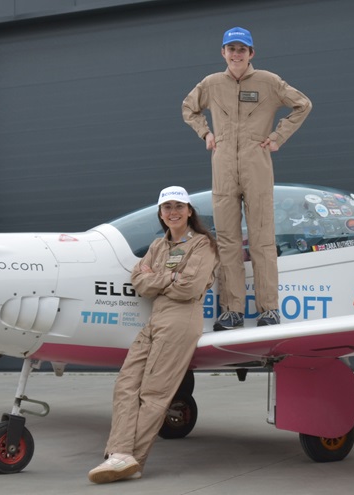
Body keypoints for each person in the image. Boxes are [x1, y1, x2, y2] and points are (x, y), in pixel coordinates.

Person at [182, 26, 312, 330]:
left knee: (262, 240)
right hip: (223, 168)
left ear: (251, 53)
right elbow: (189, 108)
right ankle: (232, 311)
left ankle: (269, 310)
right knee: (227, 242)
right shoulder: (211, 84)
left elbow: (302, 104)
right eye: (231, 49)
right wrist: (206, 133)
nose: (236, 54)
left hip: (257, 167)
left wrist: (278, 136)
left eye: (242, 49)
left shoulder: (269, 82)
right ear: (223, 53)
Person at [87, 186, 218, 484]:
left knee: (155, 392)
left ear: (189, 211)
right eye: (166, 207)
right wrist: (170, 276)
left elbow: (190, 287)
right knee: (126, 384)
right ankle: (120, 453)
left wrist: (155, 278)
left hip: (181, 319)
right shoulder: (158, 246)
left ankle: (134, 459)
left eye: (178, 206)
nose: (173, 212)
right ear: (160, 214)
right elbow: (139, 283)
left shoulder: (202, 245)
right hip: (156, 317)